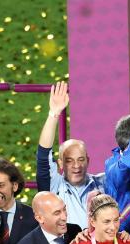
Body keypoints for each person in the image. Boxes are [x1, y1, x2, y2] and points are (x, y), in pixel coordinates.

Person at [35, 82, 104, 227]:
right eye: (69, 160)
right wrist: (53, 114)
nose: (76, 165)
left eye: (81, 159)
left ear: (88, 161)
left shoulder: (104, 183)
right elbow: (43, 156)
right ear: (60, 163)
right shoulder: (54, 186)